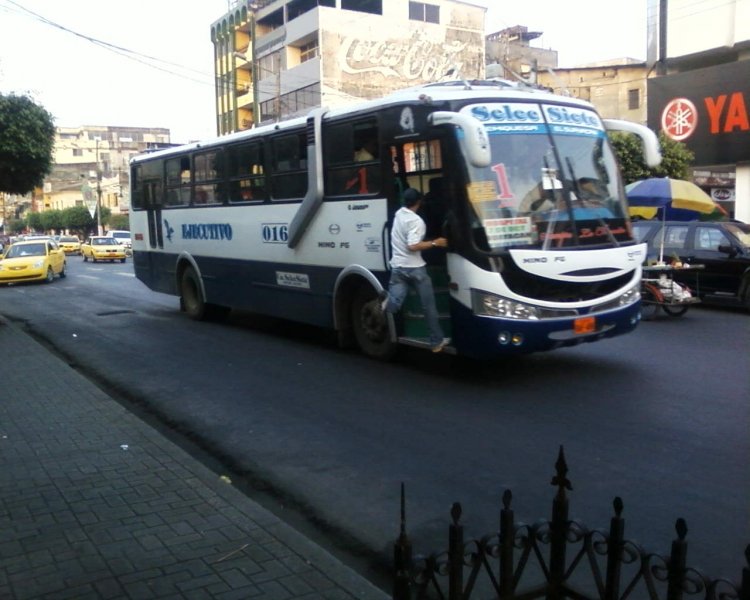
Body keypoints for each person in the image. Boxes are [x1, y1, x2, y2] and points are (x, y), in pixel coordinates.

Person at [380, 188, 450, 353]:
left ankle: (385, 303)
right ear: (419, 202)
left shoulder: (398, 215)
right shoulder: (416, 221)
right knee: (429, 306)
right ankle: (436, 342)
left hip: (397, 267)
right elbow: (412, 245)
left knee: (395, 304)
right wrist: (435, 243)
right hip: (415, 269)